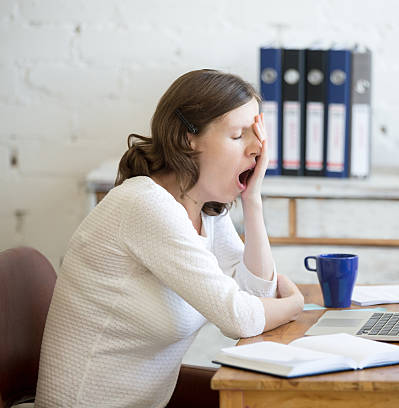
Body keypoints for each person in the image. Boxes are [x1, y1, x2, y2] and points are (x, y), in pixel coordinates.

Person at [36, 69, 304, 408]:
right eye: (238, 135)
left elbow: (255, 295)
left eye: (256, 134)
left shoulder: (205, 208)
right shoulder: (145, 205)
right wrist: (295, 305)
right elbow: (240, 318)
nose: (256, 149)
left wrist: (253, 202)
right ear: (186, 139)